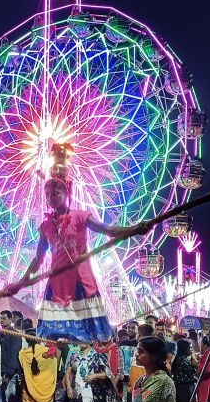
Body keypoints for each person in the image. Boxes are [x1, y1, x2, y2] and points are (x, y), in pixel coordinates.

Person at [18, 146, 145, 342]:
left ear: (67, 191)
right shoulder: (45, 227)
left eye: (56, 193)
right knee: (55, 338)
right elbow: (38, 259)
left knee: (88, 337)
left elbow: (108, 231)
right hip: (57, 283)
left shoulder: (80, 216)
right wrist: (24, 279)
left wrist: (135, 229)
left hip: (80, 280)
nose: (51, 197)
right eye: (48, 194)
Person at [0, 310, 22, 402]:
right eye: (0, 318)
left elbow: (14, 357)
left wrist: (7, 374)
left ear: (10, 319)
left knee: (10, 401)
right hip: (0, 374)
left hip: (10, 375)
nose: (1, 320)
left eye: (4, 318)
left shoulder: (15, 336)